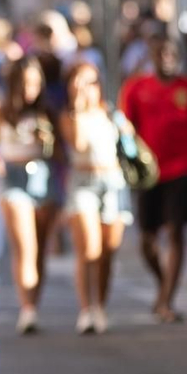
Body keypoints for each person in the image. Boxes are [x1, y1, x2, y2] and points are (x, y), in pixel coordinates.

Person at [119, 35, 187, 323]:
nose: (167, 59)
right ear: (152, 57)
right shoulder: (136, 88)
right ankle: (162, 284)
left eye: (172, 54)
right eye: (161, 54)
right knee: (147, 239)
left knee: (176, 232)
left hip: (181, 172)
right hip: (148, 176)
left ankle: (167, 298)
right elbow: (125, 132)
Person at [0, 54, 61, 335]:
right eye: (25, 83)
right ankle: (26, 309)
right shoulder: (3, 111)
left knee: (40, 249)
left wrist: (49, 142)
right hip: (14, 178)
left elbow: (60, 153)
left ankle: (33, 303)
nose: (30, 89)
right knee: (26, 247)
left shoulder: (47, 112)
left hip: (42, 176)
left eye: (35, 83)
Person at [59, 62, 128, 335]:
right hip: (83, 183)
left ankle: (100, 305)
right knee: (88, 249)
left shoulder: (110, 112)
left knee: (108, 252)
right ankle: (86, 308)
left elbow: (129, 141)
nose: (86, 89)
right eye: (79, 83)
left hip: (112, 183)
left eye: (90, 83)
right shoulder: (69, 116)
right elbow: (77, 144)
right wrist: (77, 105)